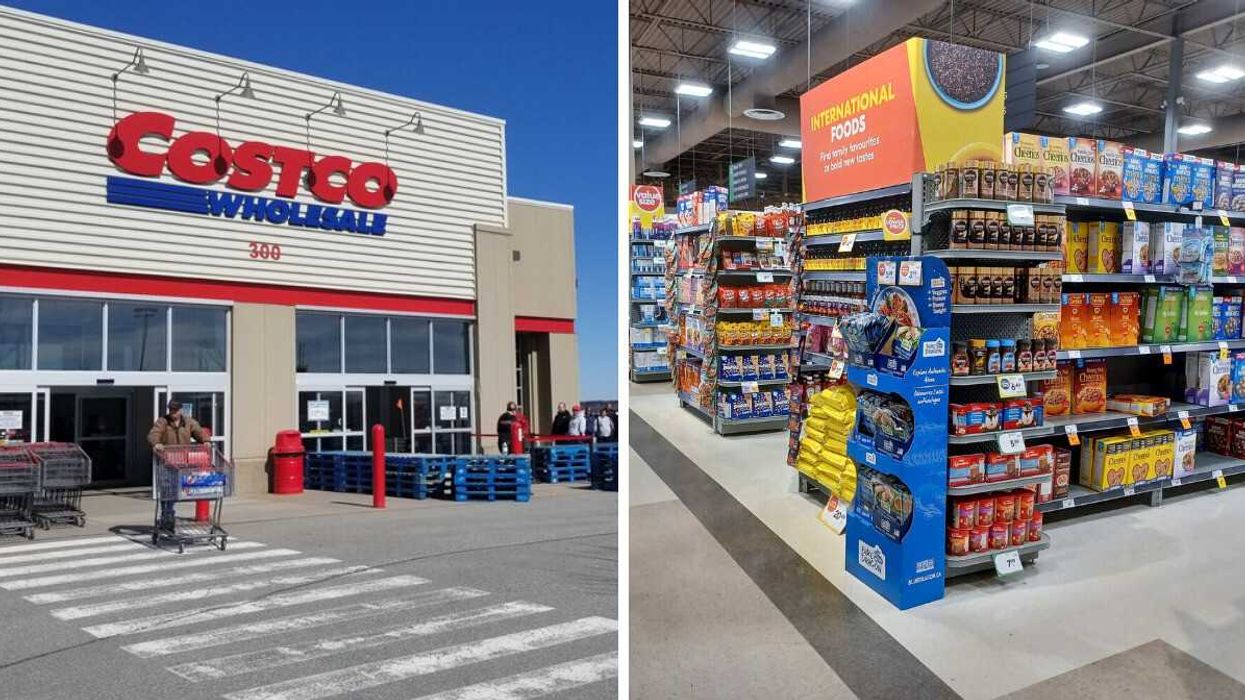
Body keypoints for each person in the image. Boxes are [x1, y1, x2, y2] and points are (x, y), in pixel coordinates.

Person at [147, 400, 208, 525]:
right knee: (167, 489)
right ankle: (167, 514)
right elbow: (154, 434)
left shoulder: (188, 422)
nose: (172, 413)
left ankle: (168, 514)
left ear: (180, 410)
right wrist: (156, 443)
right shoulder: (163, 421)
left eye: (175, 410)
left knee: (176, 490)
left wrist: (205, 440)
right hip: (168, 461)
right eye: (170, 410)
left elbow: (198, 431)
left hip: (183, 462)